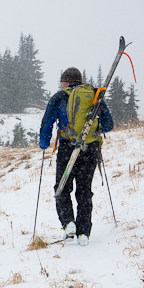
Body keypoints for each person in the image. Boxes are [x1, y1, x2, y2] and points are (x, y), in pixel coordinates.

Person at [38, 67, 113, 246]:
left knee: (62, 187)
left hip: (67, 148)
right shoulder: (94, 96)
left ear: (65, 82)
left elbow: (47, 123)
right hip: (91, 148)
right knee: (84, 190)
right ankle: (84, 232)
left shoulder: (59, 97)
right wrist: (93, 131)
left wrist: (44, 143)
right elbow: (108, 124)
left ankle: (68, 223)